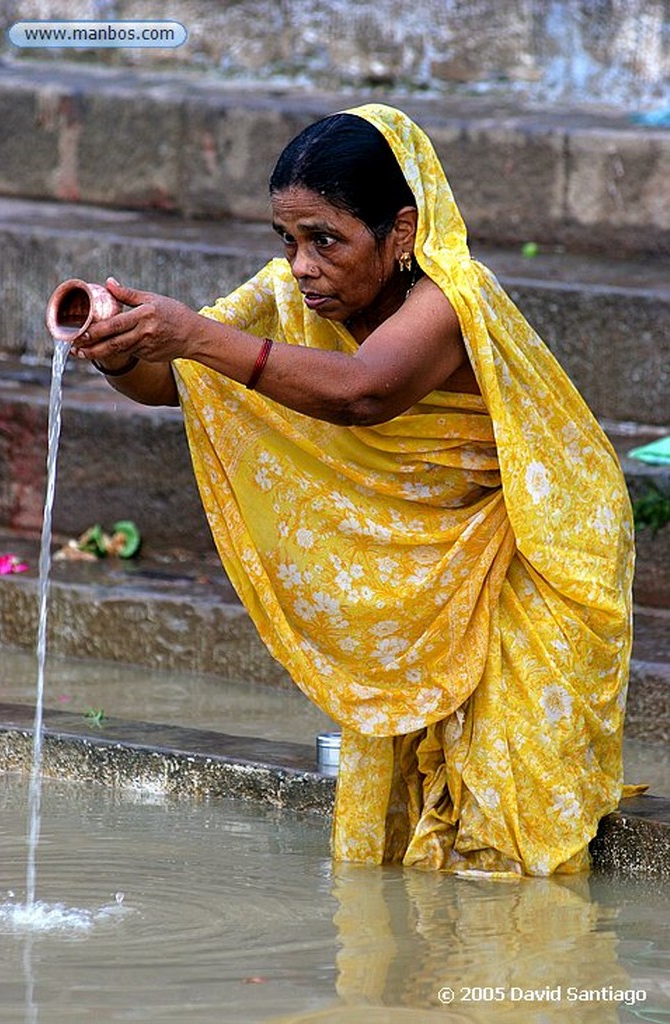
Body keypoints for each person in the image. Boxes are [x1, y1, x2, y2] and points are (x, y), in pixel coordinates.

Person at [71, 103, 634, 876]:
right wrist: (116, 349)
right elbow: (174, 384)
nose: (301, 265)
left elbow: (363, 392)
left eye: (325, 239)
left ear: (399, 232)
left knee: (503, 854)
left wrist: (194, 332)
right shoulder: (284, 298)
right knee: (399, 865)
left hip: (521, 573)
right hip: (418, 601)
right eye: (288, 240)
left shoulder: (449, 301)